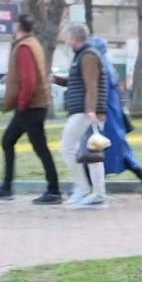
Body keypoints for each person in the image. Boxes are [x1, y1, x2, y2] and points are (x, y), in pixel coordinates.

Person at [0, 14, 63, 204]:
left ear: (19, 26)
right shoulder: (33, 43)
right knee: (9, 141)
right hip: (35, 105)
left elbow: (28, 81)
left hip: (30, 107)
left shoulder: (24, 48)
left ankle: (53, 190)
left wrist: (21, 105)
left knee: (38, 147)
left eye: (14, 25)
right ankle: (7, 186)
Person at [53, 23, 109, 209]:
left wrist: (91, 109)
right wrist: (58, 80)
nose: (67, 42)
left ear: (74, 38)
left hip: (84, 112)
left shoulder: (88, 56)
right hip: (85, 110)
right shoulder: (83, 55)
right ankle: (97, 193)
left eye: (68, 38)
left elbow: (91, 84)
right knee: (92, 154)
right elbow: (79, 81)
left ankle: (84, 188)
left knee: (68, 148)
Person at [93, 36, 142, 195]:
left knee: (100, 149)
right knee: (114, 150)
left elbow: (100, 92)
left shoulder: (100, 66)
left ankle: (91, 186)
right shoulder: (106, 64)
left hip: (107, 115)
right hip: (113, 114)